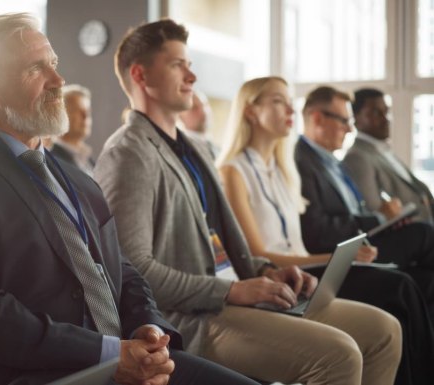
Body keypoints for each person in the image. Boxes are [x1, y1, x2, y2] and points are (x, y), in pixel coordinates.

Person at [0, 13, 258, 385]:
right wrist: (107, 354)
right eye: (34, 70)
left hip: (124, 360)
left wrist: (148, 331)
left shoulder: (76, 177)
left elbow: (123, 271)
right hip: (29, 373)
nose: (58, 81)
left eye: (53, 64)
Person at [94, 19, 401, 385]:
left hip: (235, 296)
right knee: (339, 355)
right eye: (178, 64)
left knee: (384, 331)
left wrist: (265, 270)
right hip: (190, 317)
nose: (192, 75)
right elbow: (134, 270)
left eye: (189, 64)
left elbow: (220, 243)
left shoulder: (196, 149)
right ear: (141, 75)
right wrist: (233, 289)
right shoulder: (129, 152)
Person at [218, 76, 434, 385]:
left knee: (408, 289)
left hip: (307, 273)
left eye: (289, 101)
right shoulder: (232, 172)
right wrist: (335, 257)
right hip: (283, 278)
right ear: (251, 112)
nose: (290, 109)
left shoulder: (282, 171)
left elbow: (298, 246)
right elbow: (256, 255)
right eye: (278, 101)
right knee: (399, 284)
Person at [295, 86, 434, 318]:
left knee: (427, 281)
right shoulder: (302, 162)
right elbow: (317, 231)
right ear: (318, 118)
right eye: (343, 120)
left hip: (361, 242)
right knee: (423, 234)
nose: (350, 129)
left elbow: (354, 210)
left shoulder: (331, 162)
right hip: (342, 254)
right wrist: (379, 218)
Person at [343, 87, 434, 224]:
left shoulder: (384, 150)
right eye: (376, 113)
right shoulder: (357, 157)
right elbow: (374, 212)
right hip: (412, 236)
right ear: (355, 118)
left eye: (386, 112)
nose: (386, 119)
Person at [50, 84, 95, 174]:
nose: (86, 116)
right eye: (78, 111)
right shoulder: (51, 160)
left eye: (88, 111)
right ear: (60, 115)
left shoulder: (88, 159)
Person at [178, 91, 219, 159]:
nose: (203, 111)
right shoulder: (183, 150)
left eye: (204, 105)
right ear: (180, 116)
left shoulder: (217, 149)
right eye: (194, 108)